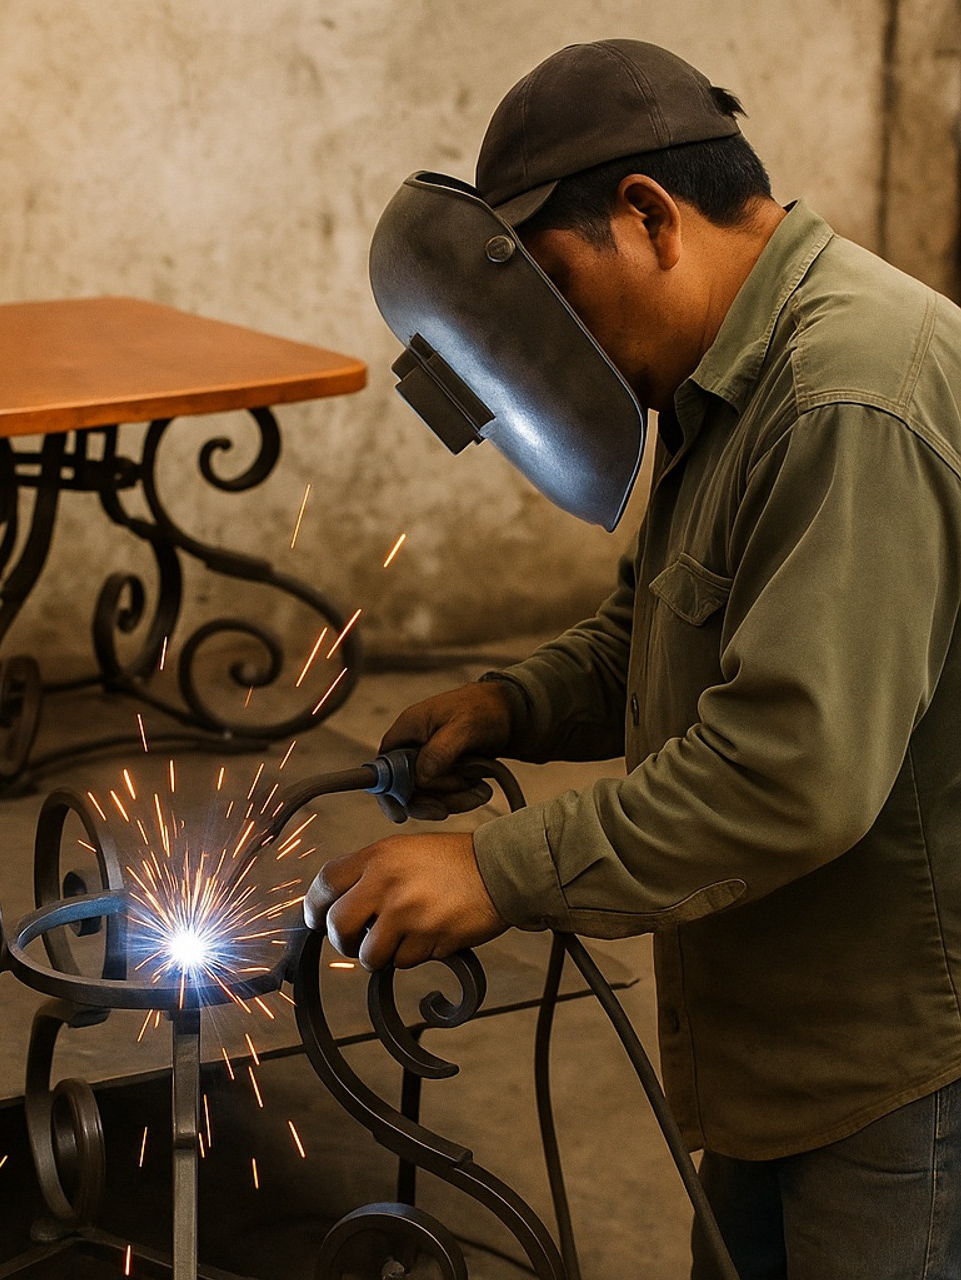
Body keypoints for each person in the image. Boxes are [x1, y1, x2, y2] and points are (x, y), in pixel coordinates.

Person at [304, 38, 961, 1280]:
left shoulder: (846, 397)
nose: (560, 347)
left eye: (558, 287)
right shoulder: (729, 375)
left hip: (904, 1067)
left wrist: (497, 868)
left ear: (647, 216)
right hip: (778, 1029)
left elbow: (787, 769)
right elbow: (663, 621)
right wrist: (514, 702)